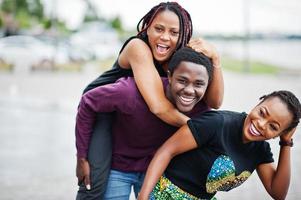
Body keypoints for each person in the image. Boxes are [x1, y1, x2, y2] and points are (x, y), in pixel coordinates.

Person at [76, 2, 224, 200]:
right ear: (147, 28)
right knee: (94, 183)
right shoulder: (138, 47)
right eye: (159, 29)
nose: (164, 37)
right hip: (102, 109)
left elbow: (214, 102)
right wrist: (201, 131)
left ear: (183, 36)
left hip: (130, 117)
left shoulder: (179, 58)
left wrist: (215, 59)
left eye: (173, 32)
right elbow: (159, 107)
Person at [138, 90, 301, 200]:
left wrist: (286, 143)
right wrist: (143, 197)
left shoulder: (260, 150)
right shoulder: (217, 123)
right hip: (166, 194)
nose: (261, 124)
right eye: (262, 113)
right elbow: (166, 151)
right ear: (258, 104)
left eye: (273, 127)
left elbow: (278, 193)